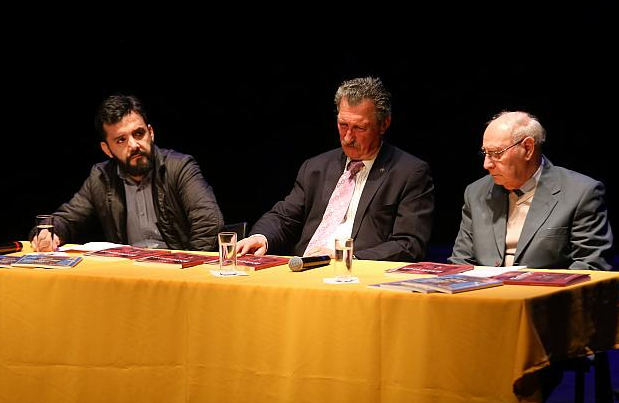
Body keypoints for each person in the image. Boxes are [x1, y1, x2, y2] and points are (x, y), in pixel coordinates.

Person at [236, 76, 434, 261]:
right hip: (304, 269)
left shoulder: (409, 173)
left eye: (359, 128)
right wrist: (261, 237)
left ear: (384, 125)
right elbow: (285, 216)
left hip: (357, 274)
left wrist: (344, 256)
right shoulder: (315, 168)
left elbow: (409, 244)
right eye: (343, 125)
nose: (348, 137)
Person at [30, 94, 224, 252]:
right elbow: (67, 218)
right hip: (130, 275)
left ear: (151, 133)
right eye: (121, 140)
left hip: (176, 272)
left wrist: (186, 269)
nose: (133, 145)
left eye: (139, 133)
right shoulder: (101, 177)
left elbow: (208, 223)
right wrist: (49, 233)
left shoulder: (179, 167)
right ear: (107, 149)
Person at [449, 110, 613, 270]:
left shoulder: (581, 192)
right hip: (484, 288)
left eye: (496, 153)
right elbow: (460, 262)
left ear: (527, 148)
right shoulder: (476, 193)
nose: (486, 164)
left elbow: (590, 267)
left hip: (547, 289)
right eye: (485, 153)